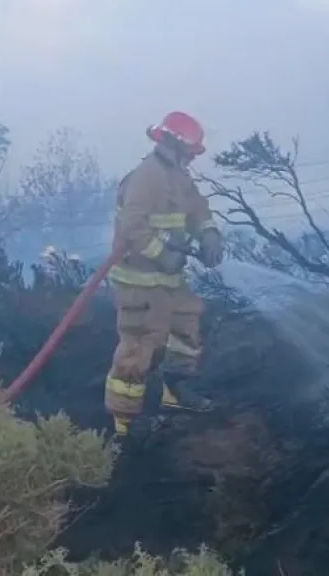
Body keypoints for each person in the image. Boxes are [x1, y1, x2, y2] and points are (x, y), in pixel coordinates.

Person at [104, 111, 224, 438]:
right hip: (138, 283)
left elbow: (197, 208)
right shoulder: (146, 177)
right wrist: (162, 253)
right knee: (139, 346)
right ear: (175, 145)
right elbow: (132, 226)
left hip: (169, 281)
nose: (192, 158)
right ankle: (125, 422)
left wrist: (209, 234)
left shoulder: (179, 177)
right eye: (190, 151)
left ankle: (176, 391)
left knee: (187, 326)